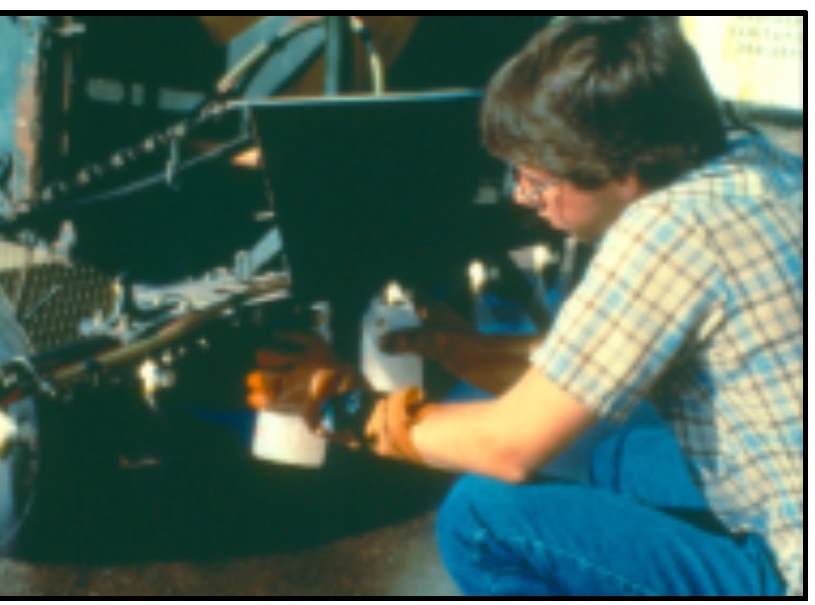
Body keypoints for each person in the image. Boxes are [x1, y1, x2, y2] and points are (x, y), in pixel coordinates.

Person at [246, 16, 803, 597]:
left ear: (625, 176)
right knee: (599, 441)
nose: (518, 195)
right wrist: (475, 355)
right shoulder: (760, 165)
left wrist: (348, 409)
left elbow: (509, 447)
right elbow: (595, 374)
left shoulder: (666, 229)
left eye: (538, 179)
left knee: (481, 516)